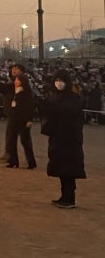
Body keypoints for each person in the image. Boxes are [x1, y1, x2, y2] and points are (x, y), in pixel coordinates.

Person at [40, 70, 85, 208]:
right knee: (61, 169)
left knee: (69, 169)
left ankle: (69, 198)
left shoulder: (74, 98)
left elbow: (74, 117)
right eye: (56, 79)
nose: (58, 83)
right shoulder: (55, 97)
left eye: (61, 80)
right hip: (57, 138)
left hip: (70, 139)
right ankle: (64, 196)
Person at [0, 63, 28, 161]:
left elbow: (6, 89)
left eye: (16, 69)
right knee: (10, 135)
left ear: (21, 71)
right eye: (13, 69)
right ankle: (9, 153)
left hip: (20, 114)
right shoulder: (12, 82)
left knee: (24, 137)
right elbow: (4, 89)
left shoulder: (24, 83)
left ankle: (28, 157)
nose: (13, 70)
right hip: (12, 114)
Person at [5, 73, 36, 169]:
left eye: (18, 80)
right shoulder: (12, 90)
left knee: (25, 141)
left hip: (23, 120)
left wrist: (30, 119)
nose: (16, 82)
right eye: (15, 80)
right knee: (11, 140)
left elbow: (31, 106)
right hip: (13, 119)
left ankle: (31, 162)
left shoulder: (27, 92)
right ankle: (13, 161)